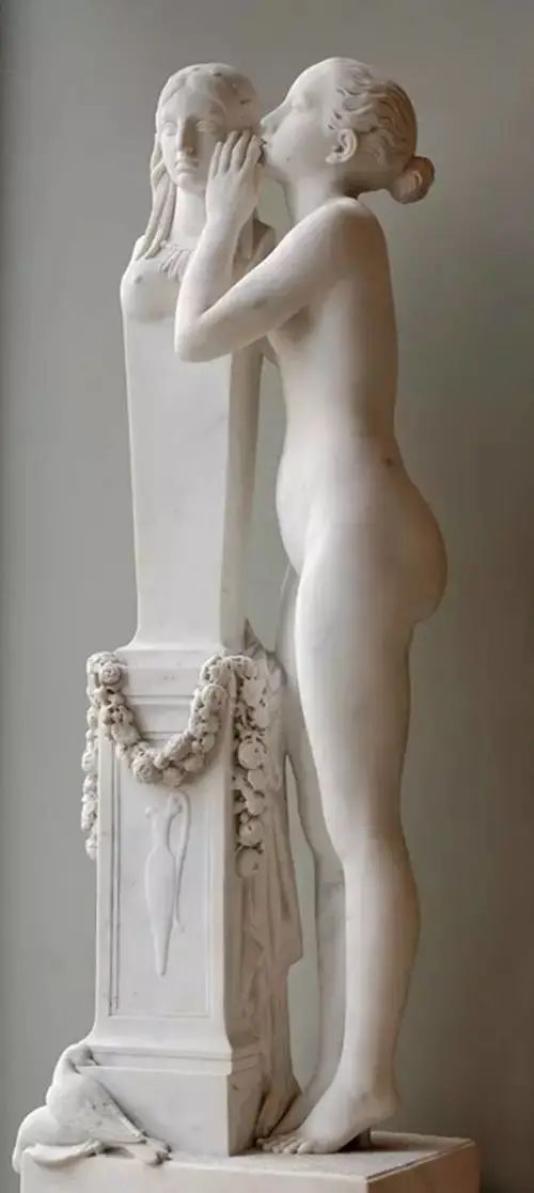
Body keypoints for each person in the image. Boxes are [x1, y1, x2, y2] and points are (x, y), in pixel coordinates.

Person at [174, 58, 447, 1154]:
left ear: (336, 148)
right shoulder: (323, 241)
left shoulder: (337, 230)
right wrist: (214, 214)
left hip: (361, 538)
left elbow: (196, 332)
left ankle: (365, 1077)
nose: (272, 116)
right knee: (334, 834)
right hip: (349, 539)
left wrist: (219, 219)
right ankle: (343, 1072)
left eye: (293, 104)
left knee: (359, 829)